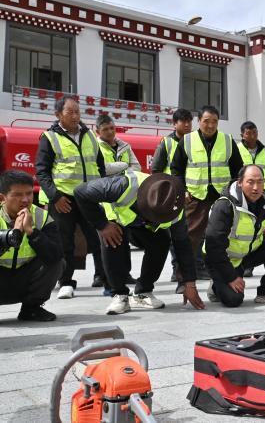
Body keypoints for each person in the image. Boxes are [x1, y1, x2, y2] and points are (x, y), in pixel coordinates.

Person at [74, 170, 205, 315]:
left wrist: (190, 283)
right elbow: (80, 192)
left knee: (161, 241)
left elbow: (183, 245)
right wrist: (102, 225)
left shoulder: (174, 208)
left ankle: (143, 292)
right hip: (115, 221)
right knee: (112, 240)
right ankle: (119, 295)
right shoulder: (122, 186)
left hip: (141, 224)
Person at [35, 97, 107, 299]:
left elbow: (99, 165)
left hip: (89, 197)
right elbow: (41, 172)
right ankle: (66, 282)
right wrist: (55, 197)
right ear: (58, 114)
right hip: (63, 199)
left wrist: (101, 189)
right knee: (65, 242)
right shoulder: (49, 137)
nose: (75, 116)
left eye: (77, 111)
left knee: (99, 237)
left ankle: (104, 277)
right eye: (70, 112)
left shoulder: (90, 135)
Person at [204, 165, 265, 307]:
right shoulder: (225, 205)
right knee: (233, 300)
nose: (256, 188)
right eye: (250, 182)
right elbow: (213, 247)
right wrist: (231, 277)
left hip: (246, 256)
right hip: (221, 259)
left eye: (260, 182)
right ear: (240, 182)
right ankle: (217, 285)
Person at [170, 106, 243, 281]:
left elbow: (238, 170)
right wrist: (183, 190)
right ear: (199, 121)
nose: (210, 125)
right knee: (189, 239)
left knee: (221, 238)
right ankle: (183, 279)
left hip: (222, 199)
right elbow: (176, 169)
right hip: (196, 198)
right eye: (206, 121)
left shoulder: (227, 141)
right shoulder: (187, 141)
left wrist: (233, 192)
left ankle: (222, 277)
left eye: (214, 122)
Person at [0, 171, 63, 321]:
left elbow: (55, 255)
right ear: (2, 198)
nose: (25, 199)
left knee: (57, 262)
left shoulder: (42, 216)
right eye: (17, 195)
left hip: (24, 281)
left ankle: (31, 309)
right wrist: (12, 236)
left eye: (29, 193)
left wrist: (32, 232)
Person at [151, 108, 194, 285]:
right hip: (173, 196)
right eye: (183, 121)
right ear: (174, 124)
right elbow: (156, 170)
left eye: (189, 121)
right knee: (177, 235)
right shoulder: (166, 143)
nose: (187, 124)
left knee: (193, 235)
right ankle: (178, 271)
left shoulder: (195, 142)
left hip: (194, 195)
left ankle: (194, 269)